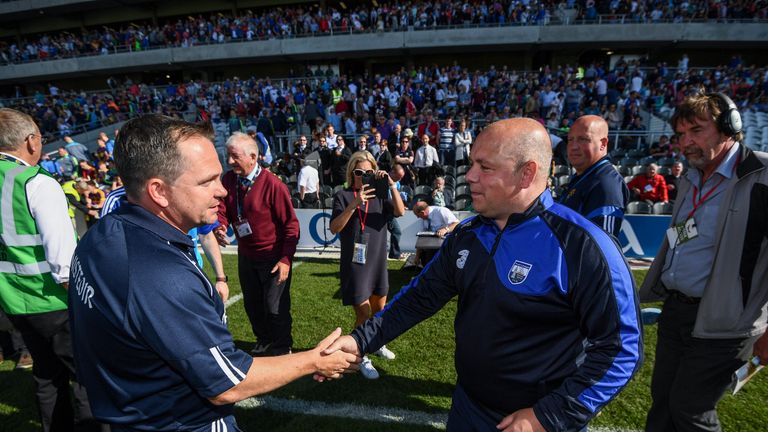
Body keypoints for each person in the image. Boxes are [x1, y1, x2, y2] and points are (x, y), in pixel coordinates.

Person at [322, 118, 642, 431]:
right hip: (467, 407)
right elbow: (418, 299)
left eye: (484, 167)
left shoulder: (583, 245)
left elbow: (621, 347)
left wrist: (549, 416)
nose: (470, 176)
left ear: (526, 173)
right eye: (472, 163)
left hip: (539, 419)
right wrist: (359, 340)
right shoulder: (467, 235)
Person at [69, 114, 358, 431]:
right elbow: (226, 382)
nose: (222, 191)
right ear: (158, 191)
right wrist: (313, 359)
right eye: (207, 181)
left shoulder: (99, 236)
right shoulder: (160, 274)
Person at [640, 93, 768, 431]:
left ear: (730, 127)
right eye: (682, 135)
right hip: (676, 312)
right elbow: (682, 236)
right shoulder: (690, 178)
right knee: (663, 406)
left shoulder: (764, 175)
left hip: (727, 324)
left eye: (697, 130)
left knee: (690, 409)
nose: (687, 143)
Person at [0, 108, 100, 431]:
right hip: (54, 301)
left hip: (14, 302)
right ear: (30, 141)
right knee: (87, 377)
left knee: (46, 375)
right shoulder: (38, 182)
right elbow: (64, 259)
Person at [215, 132, 299, 357]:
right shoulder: (229, 180)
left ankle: (282, 346)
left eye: (235, 156)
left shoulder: (274, 185)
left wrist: (285, 259)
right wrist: (220, 226)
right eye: (228, 156)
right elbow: (221, 208)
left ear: (253, 157)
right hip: (247, 256)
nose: (230, 161)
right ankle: (264, 339)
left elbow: (291, 226)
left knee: (275, 306)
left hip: (273, 257)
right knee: (252, 304)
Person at [329, 151, 405, 379]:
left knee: (380, 310)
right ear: (352, 173)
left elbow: (401, 211)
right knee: (363, 313)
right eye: (359, 172)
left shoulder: (381, 195)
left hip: (377, 261)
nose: (363, 176)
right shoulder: (343, 195)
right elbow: (334, 228)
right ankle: (362, 354)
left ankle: (376, 343)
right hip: (355, 263)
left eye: (368, 172)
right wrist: (354, 204)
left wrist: (391, 184)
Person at [100, 185, 230, 302]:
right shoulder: (116, 199)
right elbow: (107, 247)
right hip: (146, 284)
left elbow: (206, 235)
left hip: (192, 275)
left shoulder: (186, 191)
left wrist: (221, 279)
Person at [561, 115, 629, 238]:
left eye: (583, 139)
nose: (573, 146)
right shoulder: (584, 176)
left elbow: (602, 245)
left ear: (603, 144)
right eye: (570, 139)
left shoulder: (606, 184)